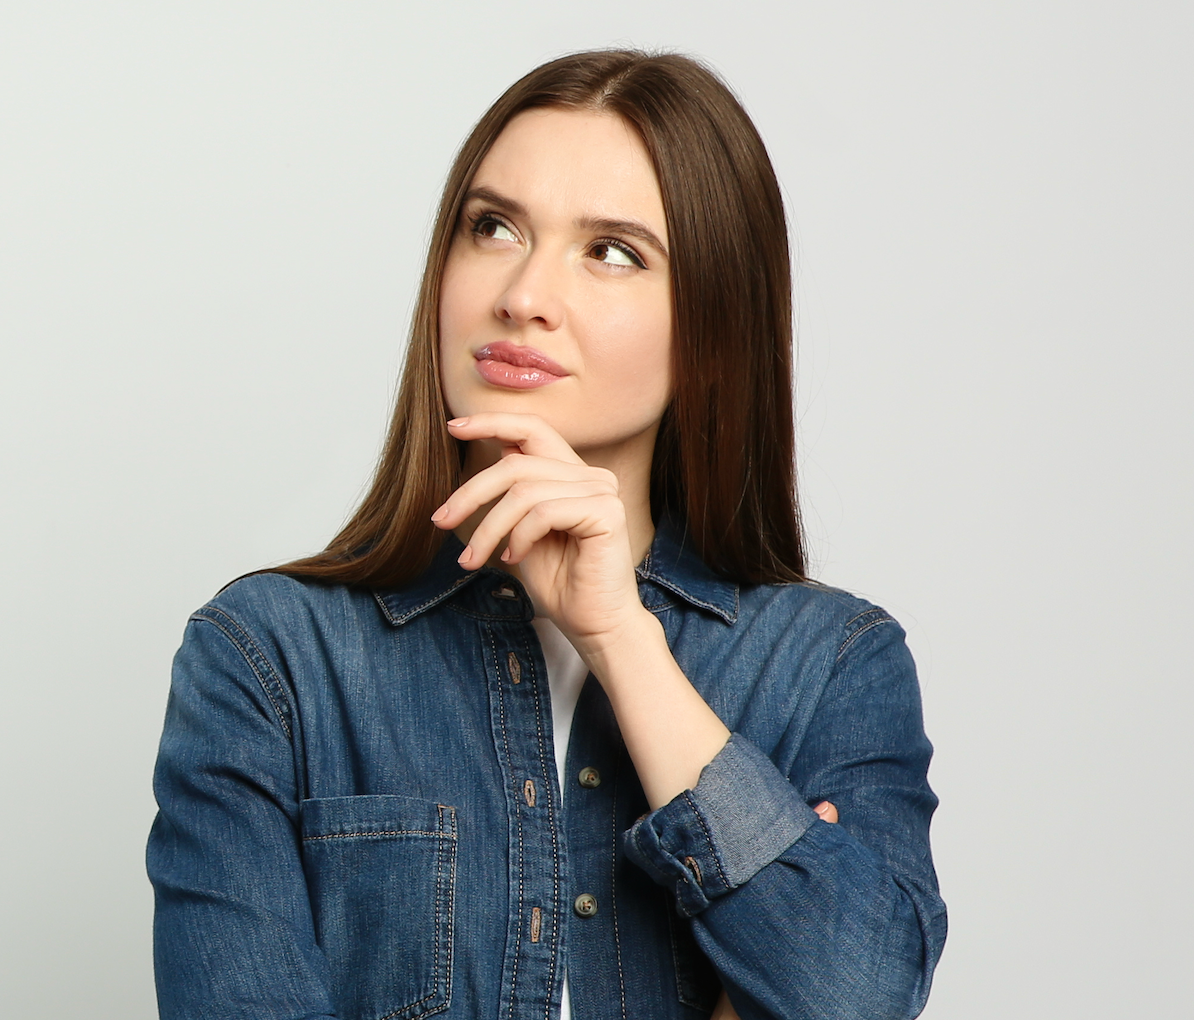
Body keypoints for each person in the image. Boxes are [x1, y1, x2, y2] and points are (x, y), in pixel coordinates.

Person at [147, 49, 946, 1020]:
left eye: (612, 251)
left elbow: (860, 994)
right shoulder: (268, 659)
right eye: (493, 227)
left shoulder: (829, 668)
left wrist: (620, 640)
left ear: (714, 326)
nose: (523, 293)